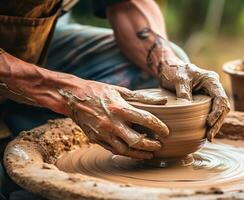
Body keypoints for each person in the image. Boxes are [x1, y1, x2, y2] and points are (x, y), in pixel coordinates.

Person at [0, 0, 230, 198]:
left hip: (36, 47)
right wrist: (69, 93)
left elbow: (127, 5)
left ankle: (23, 117)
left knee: (155, 71)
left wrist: (167, 62)